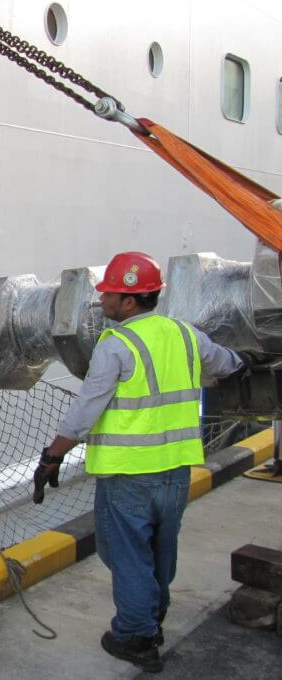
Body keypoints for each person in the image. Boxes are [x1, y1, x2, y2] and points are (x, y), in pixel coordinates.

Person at [33, 251, 257, 674]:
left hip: (128, 475)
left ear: (130, 302)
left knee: (128, 554)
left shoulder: (115, 345)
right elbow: (227, 363)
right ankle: (153, 617)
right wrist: (248, 360)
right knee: (160, 549)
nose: (102, 302)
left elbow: (87, 410)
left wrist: (52, 455)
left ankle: (136, 636)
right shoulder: (185, 334)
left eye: (109, 296)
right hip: (175, 471)